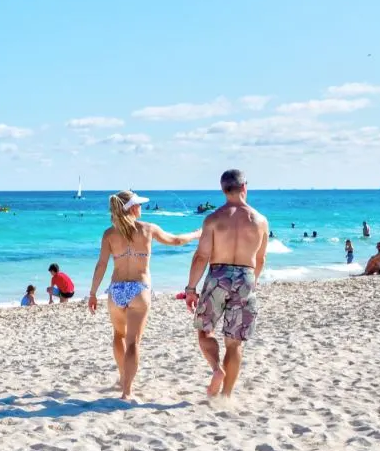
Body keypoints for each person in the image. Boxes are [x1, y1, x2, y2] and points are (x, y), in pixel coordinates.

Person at [88, 190, 201, 402]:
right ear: (132, 207)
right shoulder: (147, 229)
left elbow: (101, 264)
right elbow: (176, 241)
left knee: (118, 336)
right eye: (138, 204)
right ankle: (127, 391)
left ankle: (123, 378)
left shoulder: (109, 234)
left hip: (116, 290)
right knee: (133, 343)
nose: (141, 207)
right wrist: (196, 234)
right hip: (139, 289)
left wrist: (93, 293)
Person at [185, 169, 269, 398]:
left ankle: (216, 369)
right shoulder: (260, 221)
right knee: (235, 343)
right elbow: (260, 259)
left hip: (217, 275)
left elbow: (201, 256)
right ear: (244, 187)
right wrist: (252, 282)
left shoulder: (213, 219)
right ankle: (226, 396)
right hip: (246, 276)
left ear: (223, 190)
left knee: (205, 331)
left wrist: (191, 289)